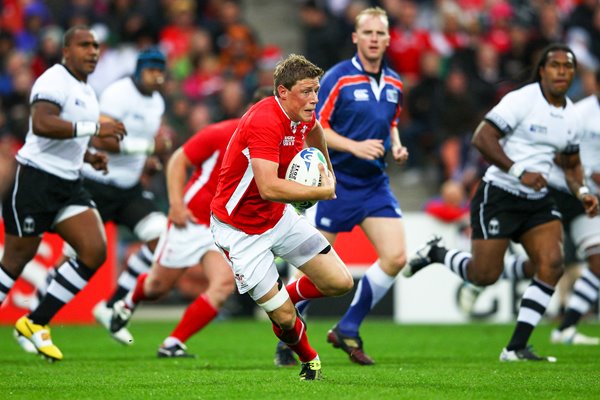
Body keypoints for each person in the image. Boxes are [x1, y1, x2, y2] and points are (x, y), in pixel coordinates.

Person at [404, 43, 599, 362]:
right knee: (484, 275)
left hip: (537, 199)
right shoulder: (523, 100)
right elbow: (482, 138)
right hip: (499, 194)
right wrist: (519, 170)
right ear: (542, 70)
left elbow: (572, 163)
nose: (562, 71)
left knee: (552, 264)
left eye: (568, 66)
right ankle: (436, 253)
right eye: (556, 65)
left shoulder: (572, 115)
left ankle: (516, 347)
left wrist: (582, 192)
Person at [211, 54, 353, 380]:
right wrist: (321, 192)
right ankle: (309, 357)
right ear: (283, 92)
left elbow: (316, 132)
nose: (314, 98)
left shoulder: (303, 114)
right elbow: (269, 188)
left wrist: (327, 171)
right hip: (239, 230)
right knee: (287, 321)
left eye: (316, 90)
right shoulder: (264, 121)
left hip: (277, 219)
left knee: (339, 282)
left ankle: (279, 298)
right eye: (306, 91)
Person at [107, 87, 272, 358]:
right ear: (251, 111)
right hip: (192, 220)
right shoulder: (220, 132)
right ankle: (127, 303)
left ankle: (173, 343)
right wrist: (176, 204)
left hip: (221, 226)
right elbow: (177, 161)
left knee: (223, 285)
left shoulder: (272, 145)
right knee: (157, 286)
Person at [31, 46, 172, 346]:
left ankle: (111, 306)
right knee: (74, 255)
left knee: (162, 237)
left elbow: (147, 142)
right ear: (139, 70)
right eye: (152, 70)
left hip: (129, 187)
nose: (157, 76)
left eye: (161, 70)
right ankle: (34, 317)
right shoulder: (118, 93)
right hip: (97, 183)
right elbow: (100, 138)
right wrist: (147, 148)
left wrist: (150, 159)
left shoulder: (157, 101)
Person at [1, 25, 126, 362]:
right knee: (15, 261)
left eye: (96, 46)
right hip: (35, 180)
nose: (93, 51)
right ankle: (34, 322)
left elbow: (69, 135)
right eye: (84, 45)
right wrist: (95, 129)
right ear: (66, 51)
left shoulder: (86, 90)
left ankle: (35, 321)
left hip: (68, 184)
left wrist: (88, 155)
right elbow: (42, 124)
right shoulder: (53, 80)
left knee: (93, 250)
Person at [292, 6, 407, 367]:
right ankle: (289, 335)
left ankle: (348, 327)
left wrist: (397, 143)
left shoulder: (395, 84)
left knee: (396, 257)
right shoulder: (339, 78)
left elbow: (391, 122)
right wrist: (355, 146)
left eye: (380, 33)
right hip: (335, 186)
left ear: (388, 39)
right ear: (356, 38)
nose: (374, 39)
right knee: (313, 270)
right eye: (367, 33)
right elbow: (315, 128)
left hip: (375, 185)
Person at [458, 68, 600, 346]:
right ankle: (483, 275)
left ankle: (565, 328)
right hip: (554, 189)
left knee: (588, 263)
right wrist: (590, 174)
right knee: (542, 264)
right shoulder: (580, 112)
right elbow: (562, 156)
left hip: (586, 196)